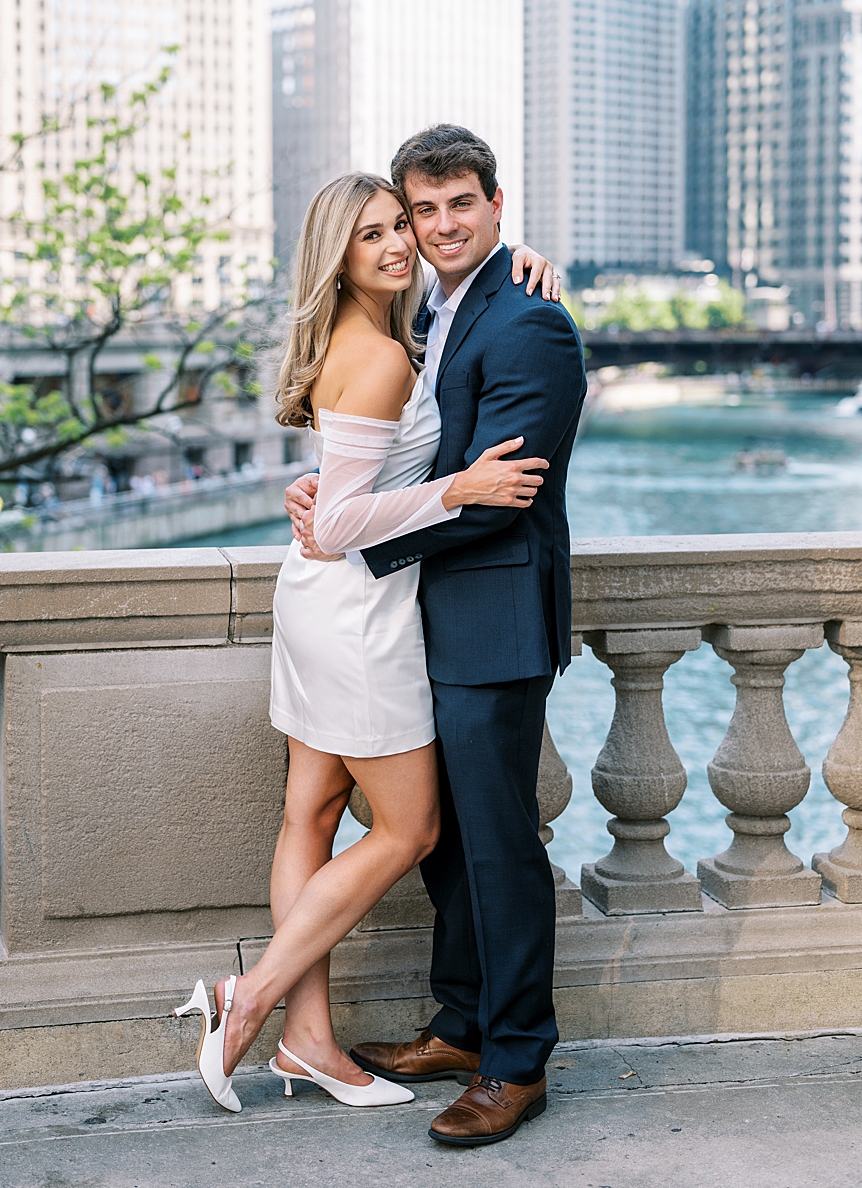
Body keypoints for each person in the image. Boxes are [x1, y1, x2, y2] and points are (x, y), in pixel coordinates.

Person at [171, 170, 560, 1117]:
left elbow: (337, 494)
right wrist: (456, 491)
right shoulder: (381, 353)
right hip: (358, 612)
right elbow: (344, 516)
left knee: (310, 809)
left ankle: (308, 1041)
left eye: (406, 223)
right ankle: (250, 997)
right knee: (412, 829)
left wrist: (524, 262)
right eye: (378, 233)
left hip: (324, 598)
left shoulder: (400, 322)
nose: (401, 244)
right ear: (336, 256)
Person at [281, 124, 589, 1148]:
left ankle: (515, 1062)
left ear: (498, 207)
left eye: (462, 203)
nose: (440, 225)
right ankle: (461, 1023)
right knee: (446, 847)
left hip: (490, 618)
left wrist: (348, 533)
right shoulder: (434, 312)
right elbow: (393, 456)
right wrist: (333, 496)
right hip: (420, 620)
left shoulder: (530, 319)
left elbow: (502, 495)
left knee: (499, 848)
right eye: (424, 208)